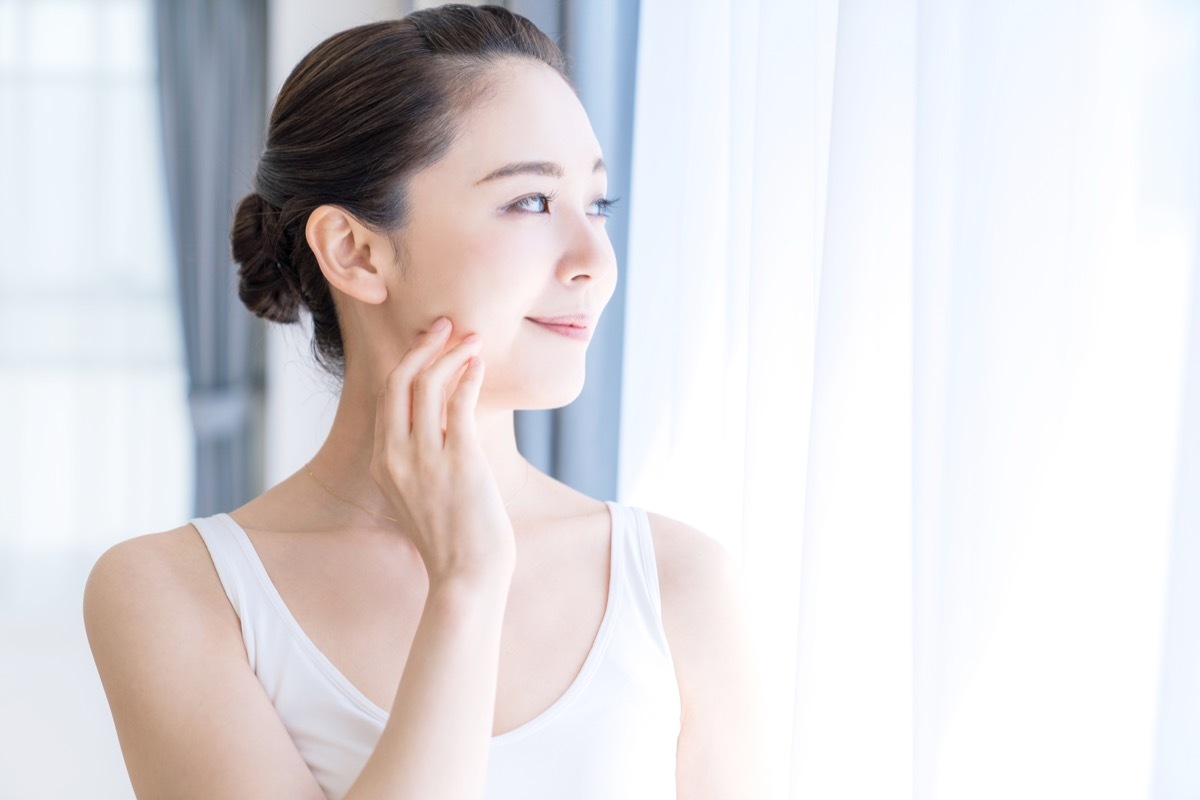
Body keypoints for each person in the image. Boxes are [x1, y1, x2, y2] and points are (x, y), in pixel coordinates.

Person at [83, 5, 766, 798]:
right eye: (532, 202)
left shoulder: (680, 583)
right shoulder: (176, 591)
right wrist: (466, 585)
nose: (595, 261)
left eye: (598, 205)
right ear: (356, 252)